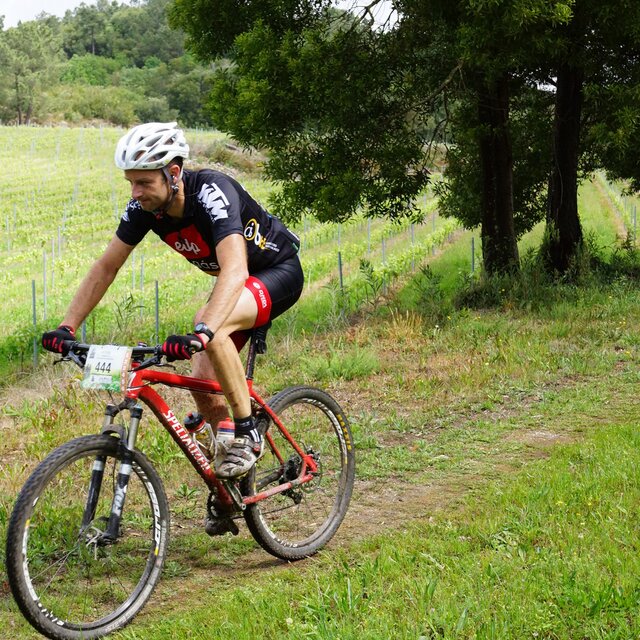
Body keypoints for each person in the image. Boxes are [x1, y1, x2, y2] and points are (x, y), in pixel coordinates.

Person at [42, 121, 304, 479]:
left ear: (174, 173)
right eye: (130, 182)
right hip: (236, 283)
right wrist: (67, 325)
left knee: (211, 326)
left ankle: (247, 435)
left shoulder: (212, 192)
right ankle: (230, 476)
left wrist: (205, 330)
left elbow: (235, 269)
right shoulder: (145, 209)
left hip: (275, 272)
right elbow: (106, 266)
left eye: (144, 182)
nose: (135, 192)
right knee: (203, 386)